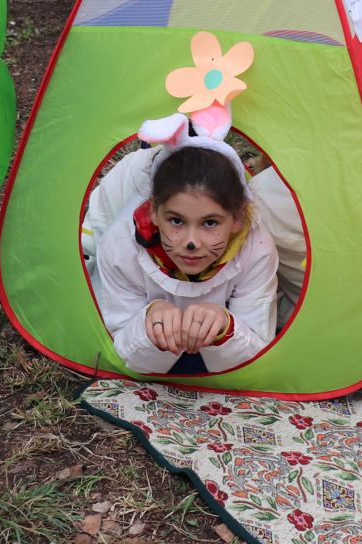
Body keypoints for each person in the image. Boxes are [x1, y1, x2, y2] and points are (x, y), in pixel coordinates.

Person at [86, 125, 280, 375]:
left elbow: (257, 356)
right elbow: (115, 349)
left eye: (210, 223)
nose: (191, 242)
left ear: (238, 218)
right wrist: (148, 323)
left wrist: (225, 326)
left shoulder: (257, 249)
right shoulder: (122, 248)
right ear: (154, 211)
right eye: (176, 221)